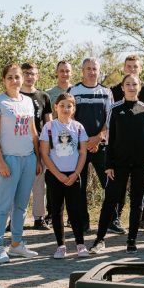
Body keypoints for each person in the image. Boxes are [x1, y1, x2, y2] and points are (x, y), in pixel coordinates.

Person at [91, 75, 144, 254]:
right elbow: (110, 139)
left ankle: (131, 240)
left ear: (139, 87)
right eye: (127, 84)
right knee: (110, 200)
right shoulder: (115, 108)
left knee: (137, 203)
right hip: (118, 164)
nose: (131, 87)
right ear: (122, 87)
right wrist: (108, 164)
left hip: (141, 164)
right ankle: (99, 240)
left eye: (134, 84)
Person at [0, 63, 41, 264]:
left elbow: (33, 132)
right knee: (3, 205)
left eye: (17, 77)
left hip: (28, 159)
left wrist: (38, 159)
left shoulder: (28, 101)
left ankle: (16, 244)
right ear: (4, 80)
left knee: (21, 205)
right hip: (8, 159)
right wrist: (0, 162)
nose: (14, 81)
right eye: (9, 77)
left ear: (22, 79)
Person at [110, 54, 144, 231]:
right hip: (121, 148)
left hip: (143, 146)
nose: (132, 69)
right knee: (119, 186)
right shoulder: (115, 91)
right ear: (124, 68)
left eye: (135, 66)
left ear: (140, 69)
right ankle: (115, 219)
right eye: (129, 66)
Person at [68, 58, 117, 233]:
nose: (91, 72)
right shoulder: (73, 91)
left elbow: (110, 118)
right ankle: (83, 223)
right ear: (82, 71)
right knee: (79, 186)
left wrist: (98, 138)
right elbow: (69, 118)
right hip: (79, 146)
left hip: (101, 146)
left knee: (109, 184)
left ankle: (112, 221)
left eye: (94, 68)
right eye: (88, 68)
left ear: (99, 71)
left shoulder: (106, 92)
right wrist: (85, 141)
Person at [39, 93, 89, 259]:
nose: (65, 109)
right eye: (62, 106)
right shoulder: (49, 127)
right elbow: (45, 153)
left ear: (73, 109)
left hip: (73, 175)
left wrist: (76, 173)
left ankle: (80, 244)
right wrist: (58, 175)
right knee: (57, 211)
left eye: (69, 106)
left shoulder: (79, 127)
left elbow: (83, 153)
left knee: (75, 210)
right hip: (55, 175)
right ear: (56, 107)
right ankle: (61, 246)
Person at [20, 63, 53, 231]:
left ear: (37, 76)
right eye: (26, 73)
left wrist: (48, 145)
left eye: (32, 73)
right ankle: (15, 219)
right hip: (19, 144)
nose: (29, 76)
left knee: (39, 184)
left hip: (39, 145)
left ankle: (39, 218)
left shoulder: (43, 96)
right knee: (18, 184)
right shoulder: (15, 96)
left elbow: (49, 123)